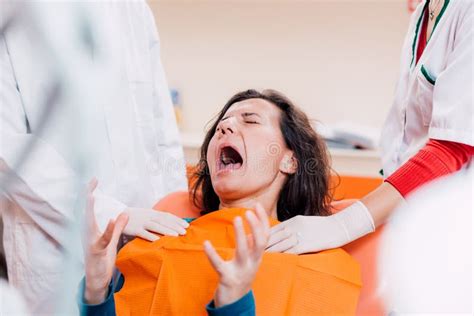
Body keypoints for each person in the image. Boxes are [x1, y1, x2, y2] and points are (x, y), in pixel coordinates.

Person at [79, 89, 362, 315]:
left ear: (290, 159)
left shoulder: (325, 268)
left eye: (249, 120)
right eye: (219, 127)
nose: (224, 127)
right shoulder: (156, 240)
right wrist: (96, 292)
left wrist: (233, 301)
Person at [0, 1, 188, 313]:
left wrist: (177, 215)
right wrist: (112, 214)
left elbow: (160, 125)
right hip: (58, 250)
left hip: (150, 243)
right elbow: (9, 148)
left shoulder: (132, 8)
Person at [266, 0, 473, 254]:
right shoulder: (421, 14)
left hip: (453, 221)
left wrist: (343, 225)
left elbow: (452, 148)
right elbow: (406, 138)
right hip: (413, 213)